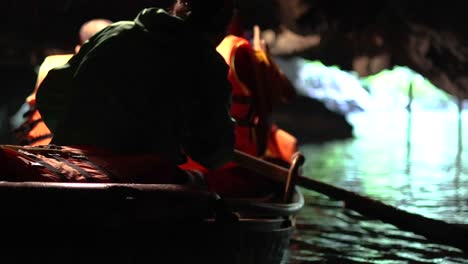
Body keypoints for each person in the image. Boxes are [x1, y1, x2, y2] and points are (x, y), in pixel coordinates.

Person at [30, 0, 236, 184]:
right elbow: (213, 152)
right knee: (200, 186)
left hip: (70, 166)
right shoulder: (207, 64)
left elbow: (51, 94)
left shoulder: (116, 32)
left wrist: (81, 139)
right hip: (140, 181)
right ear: (220, 27)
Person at [180, 11, 298, 197]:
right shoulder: (239, 49)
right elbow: (283, 98)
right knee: (281, 171)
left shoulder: (175, 44)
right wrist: (263, 60)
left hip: (180, 164)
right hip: (228, 166)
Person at [11, 18, 112, 146]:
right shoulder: (126, 72)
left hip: (43, 154)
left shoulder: (53, 65)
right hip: (78, 157)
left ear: (78, 49)